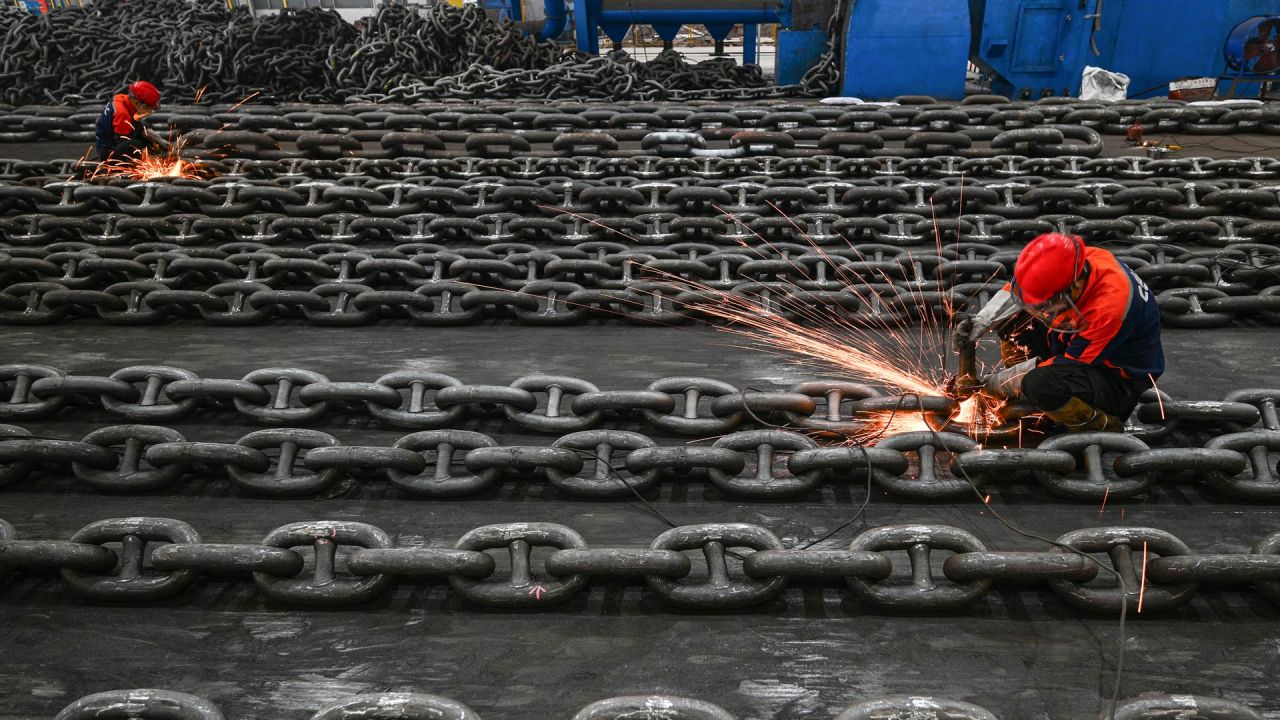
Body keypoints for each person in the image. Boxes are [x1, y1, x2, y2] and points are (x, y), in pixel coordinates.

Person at [953, 233, 1164, 432]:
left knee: (1040, 385)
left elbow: (1070, 363)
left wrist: (995, 385)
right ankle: (1023, 395)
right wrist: (983, 319)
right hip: (1079, 346)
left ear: (1074, 287)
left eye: (1048, 303)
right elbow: (1022, 290)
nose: (1042, 310)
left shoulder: (1110, 309)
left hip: (1114, 378)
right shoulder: (1074, 261)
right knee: (1013, 317)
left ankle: (1102, 425)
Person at [94, 80, 168, 162]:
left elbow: (136, 122)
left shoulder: (121, 98)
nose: (149, 112)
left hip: (112, 140)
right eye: (149, 109)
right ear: (138, 103)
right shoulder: (122, 115)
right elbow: (123, 142)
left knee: (146, 128)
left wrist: (157, 139)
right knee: (134, 145)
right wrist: (147, 158)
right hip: (108, 153)